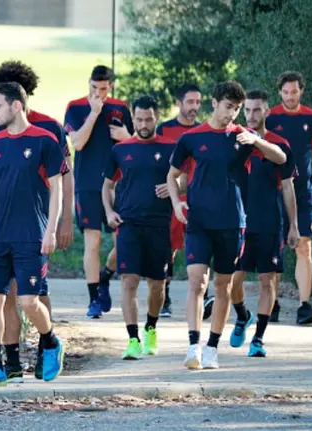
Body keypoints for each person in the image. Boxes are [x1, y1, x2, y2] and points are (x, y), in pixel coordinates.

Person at [167, 81, 286, 370]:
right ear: (214, 103)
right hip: (198, 221)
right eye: (228, 107)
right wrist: (177, 204)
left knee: (223, 285)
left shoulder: (243, 136)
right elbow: (172, 175)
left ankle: (211, 348)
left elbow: (280, 157)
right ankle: (193, 346)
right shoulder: (192, 138)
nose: (232, 113)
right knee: (197, 282)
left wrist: (255, 141)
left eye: (237, 108)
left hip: (233, 223)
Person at [0, 60, 74, 381]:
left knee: (29, 301)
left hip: (31, 235)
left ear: (16, 106)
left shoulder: (44, 140)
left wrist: (52, 229)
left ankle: (50, 341)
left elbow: (57, 187)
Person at [102, 95, 176, 359]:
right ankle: (132, 339)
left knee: (157, 284)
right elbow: (107, 186)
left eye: (149, 119)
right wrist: (109, 212)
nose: (144, 124)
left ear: (157, 117)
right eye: (139, 119)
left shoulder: (171, 148)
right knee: (128, 280)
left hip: (159, 225)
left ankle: (150, 329)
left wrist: (175, 187)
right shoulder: (120, 150)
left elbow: (187, 179)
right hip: (129, 224)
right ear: (132, 118)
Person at [229, 89, 299, 357]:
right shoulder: (234, 142)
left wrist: (293, 225)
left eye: (256, 109)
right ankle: (242, 316)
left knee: (267, 280)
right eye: (247, 110)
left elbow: (288, 187)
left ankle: (258, 338)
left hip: (270, 222)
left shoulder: (280, 145)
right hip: (238, 223)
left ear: (267, 111)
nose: (251, 114)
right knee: (232, 280)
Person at [64, 65, 133, 319]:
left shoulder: (121, 108)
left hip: (118, 184)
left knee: (123, 243)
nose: (98, 93)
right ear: (89, 83)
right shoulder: (75, 107)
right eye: (94, 87)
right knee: (92, 242)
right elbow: (78, 142)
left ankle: (106, 275)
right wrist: (94, 113)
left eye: (103, 89)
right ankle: (93, 299)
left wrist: (127, 136)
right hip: (88, 183)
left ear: (110, 86)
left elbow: (136, 145)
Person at [266, 71, 312, 325]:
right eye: (285, 92)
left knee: (304, 246)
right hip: (275, 191)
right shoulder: (270, 117)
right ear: (279, 92)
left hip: (304, 193)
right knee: (276, 247)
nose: (290, 96)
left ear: (301, 91)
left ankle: (305, 305)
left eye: (294, 91)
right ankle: (272, 304)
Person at [156, 84, 204, 318]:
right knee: (169, 248)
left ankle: (204, 295)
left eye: (198, 102)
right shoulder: (164, 129)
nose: (195, 107)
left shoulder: (203, 131)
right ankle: (164, 297)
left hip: (198, 197)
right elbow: (157, 161)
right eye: (190, 102)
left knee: (201, 245)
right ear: (178, 103)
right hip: (171, 198)